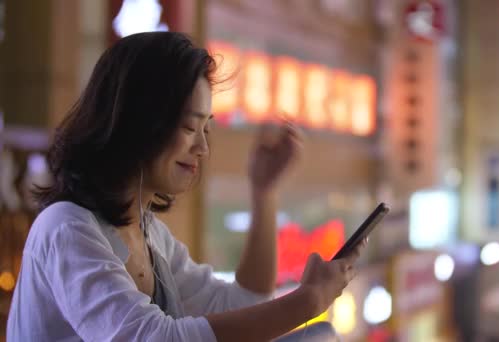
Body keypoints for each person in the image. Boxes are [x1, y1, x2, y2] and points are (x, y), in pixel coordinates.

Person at [7, 31, 365, 341]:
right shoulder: (67, 228)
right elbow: (153, 338)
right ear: (141, 120)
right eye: (190, 128)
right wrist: (309, 301)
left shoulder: (149, 235)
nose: (202, 148)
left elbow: (244, 305)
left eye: (206, 128)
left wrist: (264, 191)